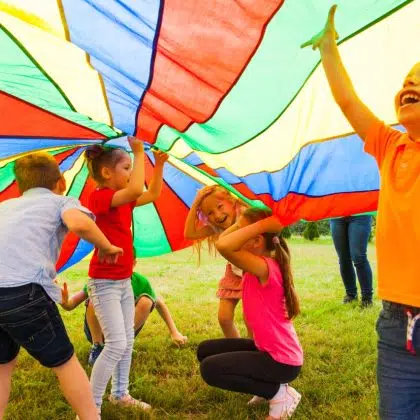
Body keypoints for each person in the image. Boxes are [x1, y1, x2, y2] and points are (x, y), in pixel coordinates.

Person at [302, 5, 420, 417]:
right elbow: (348, 100)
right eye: (407, 81)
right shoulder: (391, 146)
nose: (410, 84)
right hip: (397, 325)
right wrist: (329, 49)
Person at [0, 152, 123, 420]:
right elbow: (79, 223)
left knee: (2, 366)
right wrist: (107, 246)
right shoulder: (61, 201)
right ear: (61, 183)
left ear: (20, 186)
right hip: (24, 293)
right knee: (65, 363)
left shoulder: (5, 206)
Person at [84, 138, 167, 413]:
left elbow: (151, 194)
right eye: (127, 167)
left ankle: (120, 393)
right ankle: (90, 409)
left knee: (127, 340)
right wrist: (140, 151)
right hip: (104, 282)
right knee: (116, 343)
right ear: (107, 173)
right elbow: (134, 190)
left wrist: (161, 165)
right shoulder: (101, 197)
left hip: (123, 281)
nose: (132, 173)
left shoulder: (123, 201)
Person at [197, 209, 303, 419]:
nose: (236, 233)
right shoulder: (259, 262)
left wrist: (262, 225)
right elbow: (225, 240)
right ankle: (267, 388)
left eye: (241, 231)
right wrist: (243, 223)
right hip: (266, 350)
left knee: (210, 369)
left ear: (255, 241)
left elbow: (223, 245)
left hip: (282, 362)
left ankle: (278, 393)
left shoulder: (265, 267)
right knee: (205, 351)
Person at [59, 271, 187, 365]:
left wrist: (174, 332)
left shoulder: (140, 282)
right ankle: (97, 347)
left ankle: (122, 346)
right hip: (99, 331)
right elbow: (71, 305)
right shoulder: (99, 280)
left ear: (134, 263)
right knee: (94, 298)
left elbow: (159, 303)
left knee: (147, 300)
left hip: (124, 331)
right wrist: (64, 301)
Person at [184, 185, 250, 338]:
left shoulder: (244, 214)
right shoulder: (215, 228)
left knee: (250, 319)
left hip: (253, 273)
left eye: (220, 206)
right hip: (234, 273)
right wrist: (196, 203)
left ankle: (254, 351)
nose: (218, 215)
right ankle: (236, 349)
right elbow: (189, 233)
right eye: (210, 213)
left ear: (232, 201)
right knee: (224, 318)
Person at [329, 215, 373, 307]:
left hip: (360, 214)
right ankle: (351, 295)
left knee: (358, 256)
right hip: (337, 214)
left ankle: (367, 298)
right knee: (343, 258)